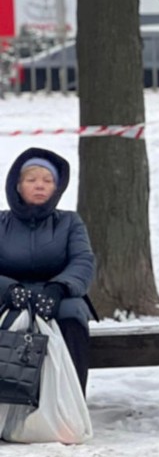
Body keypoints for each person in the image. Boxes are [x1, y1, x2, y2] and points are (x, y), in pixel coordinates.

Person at [0, 147, 96, 393]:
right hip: (8, 296)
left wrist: (59, 287)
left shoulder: (70, 222)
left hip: (58, 294)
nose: (40, 185)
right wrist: (8, 289)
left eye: (47, 180)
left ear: (57, 187)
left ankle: (70, 402)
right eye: (31, 180)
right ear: (17, 185)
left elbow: (83, 260)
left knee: (73, 318)